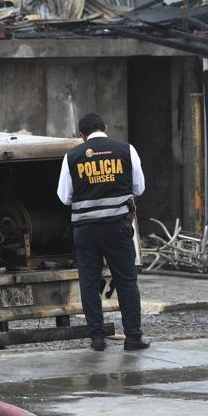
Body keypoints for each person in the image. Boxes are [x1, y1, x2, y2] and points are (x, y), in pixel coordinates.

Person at [56, 113, 149, 352]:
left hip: (85, 231)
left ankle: (97, 339)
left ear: (81, 135)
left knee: (89, 283)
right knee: (126, 282)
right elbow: (139, 188)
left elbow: (64, 197)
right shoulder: (127, 150)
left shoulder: (72, 156)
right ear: (106, 128)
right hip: (117, 228)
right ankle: (133, 337)